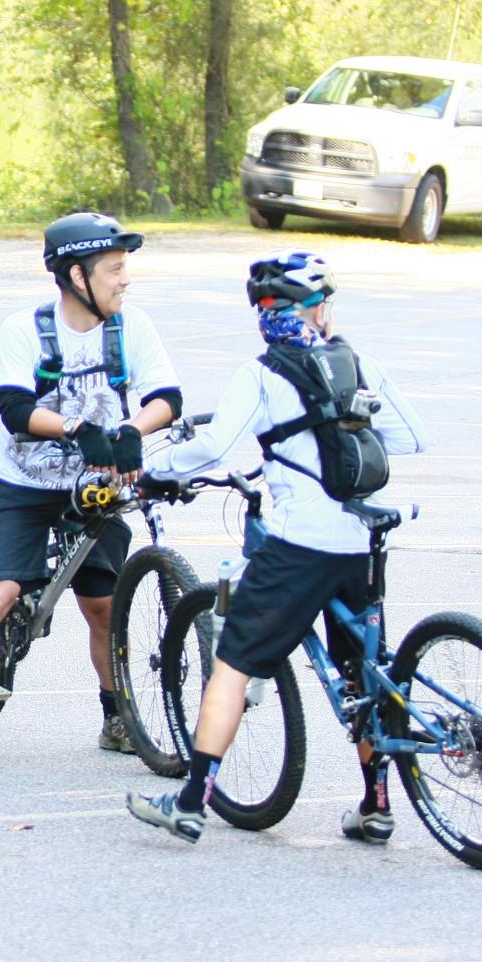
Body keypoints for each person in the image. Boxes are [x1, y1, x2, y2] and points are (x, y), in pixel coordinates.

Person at [126, 251, 428, 845]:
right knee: (363, 673)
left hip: (298, 546)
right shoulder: (357, 363)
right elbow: (413, 437)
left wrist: (156, 471)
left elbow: (214, 447)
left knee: (232, 666)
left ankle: (190, 802)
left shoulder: (262, 374)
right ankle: (376, 804)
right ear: (314, 313)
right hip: (360, 541)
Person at [0, 212, 182, 760]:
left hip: (91, 491)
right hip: (20, 486)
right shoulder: (26, 329)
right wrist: (78, 428)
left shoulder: (131, 326)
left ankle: (117, 720)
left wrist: (128, 431)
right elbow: (17, 409)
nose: (125, 279)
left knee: (103, 605)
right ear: (77, 277)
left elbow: (167, 396)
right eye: (115, 268)